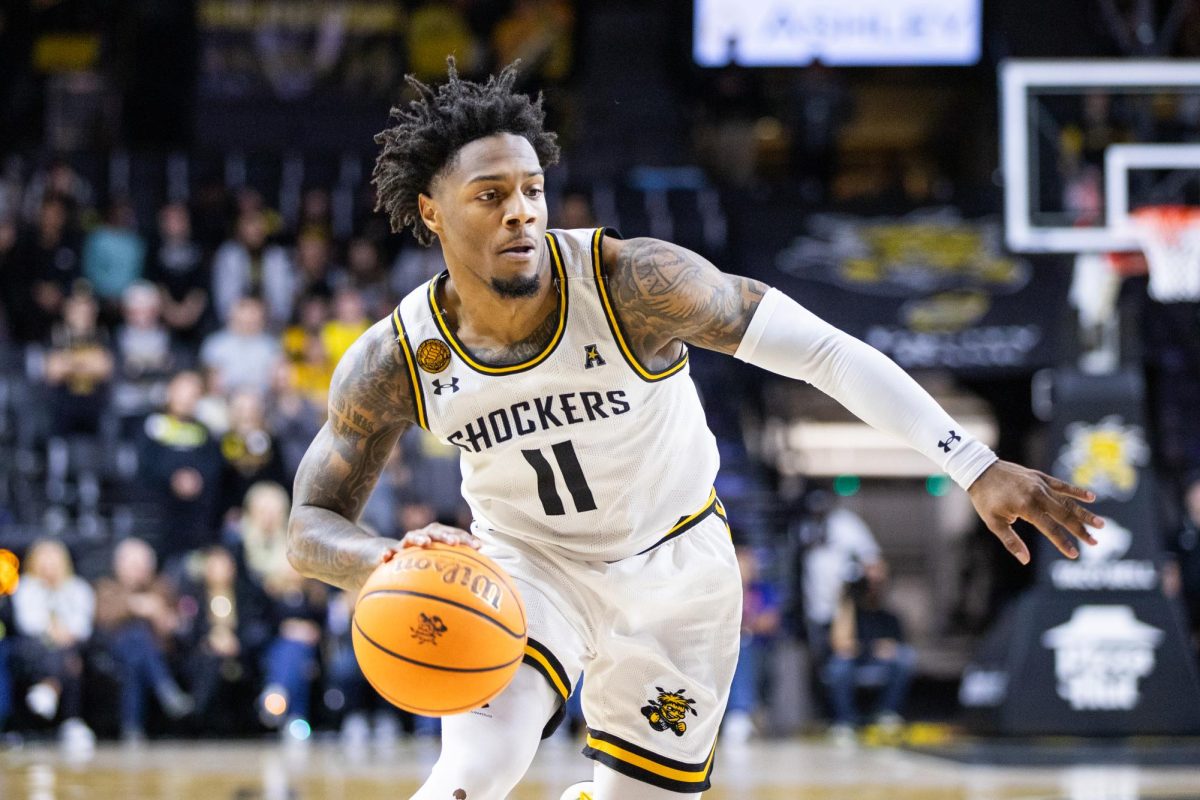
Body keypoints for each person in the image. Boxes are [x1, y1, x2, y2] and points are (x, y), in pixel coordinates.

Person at [286, 61, 1104, 800]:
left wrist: (972, 462)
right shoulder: (398, 355)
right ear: (431, 211)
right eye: (490, 196)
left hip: (676, 567)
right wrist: (382, 562)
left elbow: (823, 351)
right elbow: (309, 523)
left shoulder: (636, 284)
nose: (521, 214)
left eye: (532, 189)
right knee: (473, 772)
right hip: (524, 569)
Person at [94, 537, 194, 742]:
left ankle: (132, 728)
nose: (138, 571)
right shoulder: (107, 587)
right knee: (135, 635)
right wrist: (135, 606)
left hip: (156, 651)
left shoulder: (161, 588)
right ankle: (165, 687)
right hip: (113, 651)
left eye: (142, 565)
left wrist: (160, 616)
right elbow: (103, 618)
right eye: (132, 565)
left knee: (136, 658)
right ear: (119, 566)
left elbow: (175, 626)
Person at [10, 539, 95, 750]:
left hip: (72, 644)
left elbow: (83, 625)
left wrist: (64, 631)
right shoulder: (25, 587)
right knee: (60, 656)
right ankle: (71, 720)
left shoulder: (78, 588)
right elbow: (28, 623)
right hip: (36, 648)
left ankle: (48, 688)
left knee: (70, 654)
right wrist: (53, 630)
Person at [822, 560, 914, 745]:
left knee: (905, 656)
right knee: (838, 665)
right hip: (853, 664)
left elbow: (898, 644)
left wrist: (887, 648)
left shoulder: (889, 617)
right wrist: (847, 597)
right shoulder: (847, 611)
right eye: (869, 582)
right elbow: (840, 644)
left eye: (877, 582)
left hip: (879, 664)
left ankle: (886, 713)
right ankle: (845, 720)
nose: (872, 587)